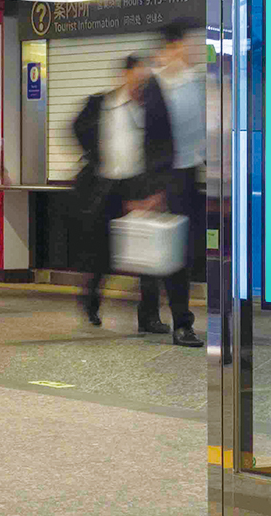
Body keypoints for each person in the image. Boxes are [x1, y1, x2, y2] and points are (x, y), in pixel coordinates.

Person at [73, 53, 175, 331]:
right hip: (105, 186)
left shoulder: (150, 111)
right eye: (137, 78)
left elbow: (162, 148)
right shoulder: (101, 104)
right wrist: (95, 157)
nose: (140, 85)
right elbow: (76, 128)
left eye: (144, 80)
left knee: (146, 252)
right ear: (125, 75)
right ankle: (91, 302)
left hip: (137, 184)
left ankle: (149, 317)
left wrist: (157, 188)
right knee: (101, 252)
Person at [150, 20, 206, 347]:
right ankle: (181, 323)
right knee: (177, 254)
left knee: (190, 252)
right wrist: (152, 188)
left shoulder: (198, 83)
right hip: (167, 179)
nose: (191, 50)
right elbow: (148, 141)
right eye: (186, 44)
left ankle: (154, 311)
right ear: (171, 47)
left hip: (195, 178)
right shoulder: (155, 87)